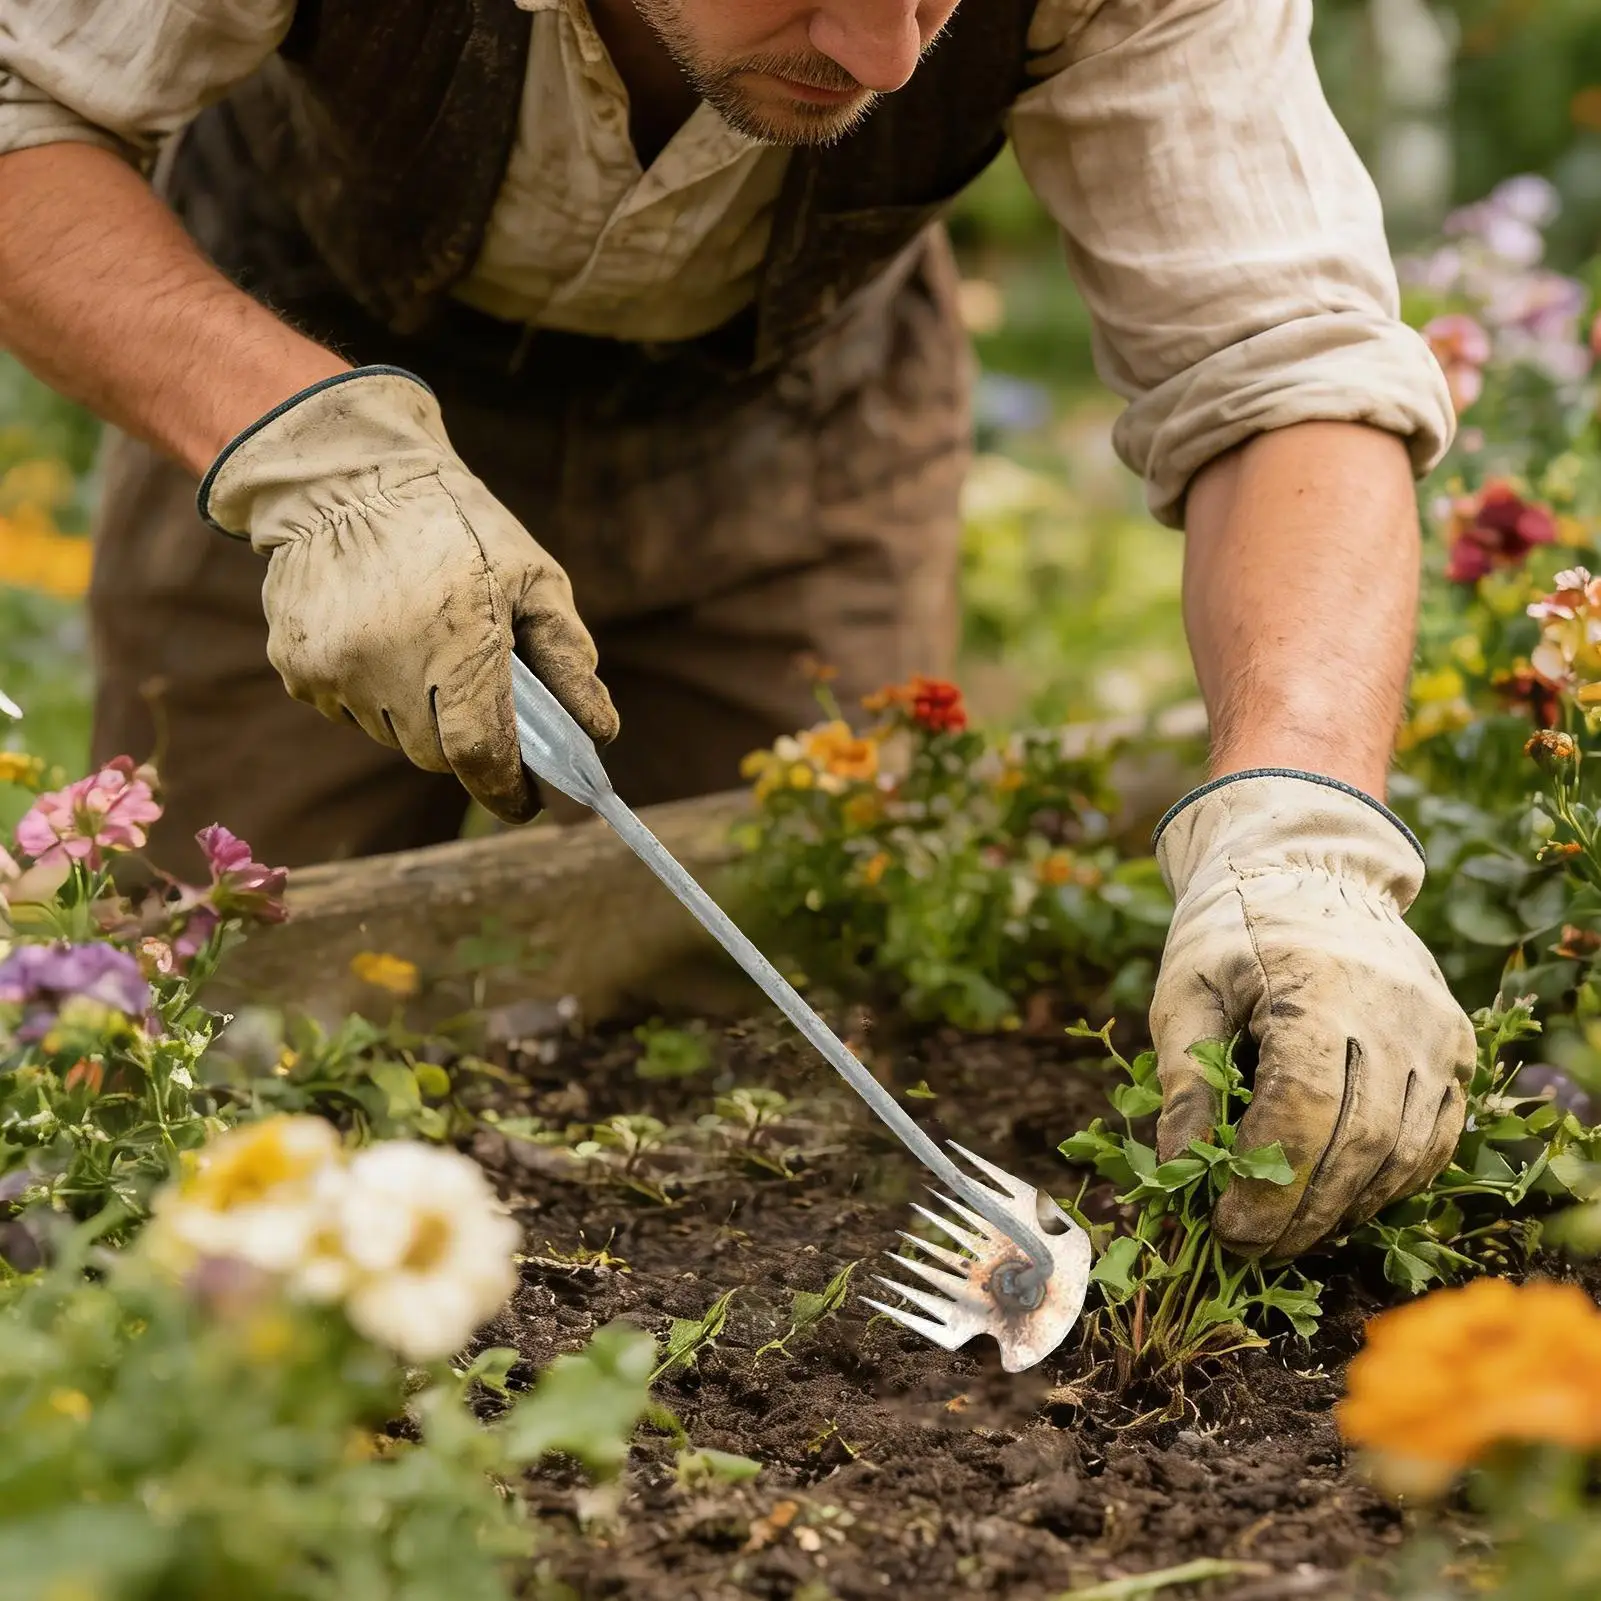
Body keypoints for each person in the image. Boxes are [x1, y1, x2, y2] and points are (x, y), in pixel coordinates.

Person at [0, 0, 1476, 1263]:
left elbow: (1283, 364)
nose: (889, 59)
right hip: (283, 374)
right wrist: (303, 451)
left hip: (796, 434)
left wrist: (1304, 826)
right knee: (207, 1044)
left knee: (770, 1065)